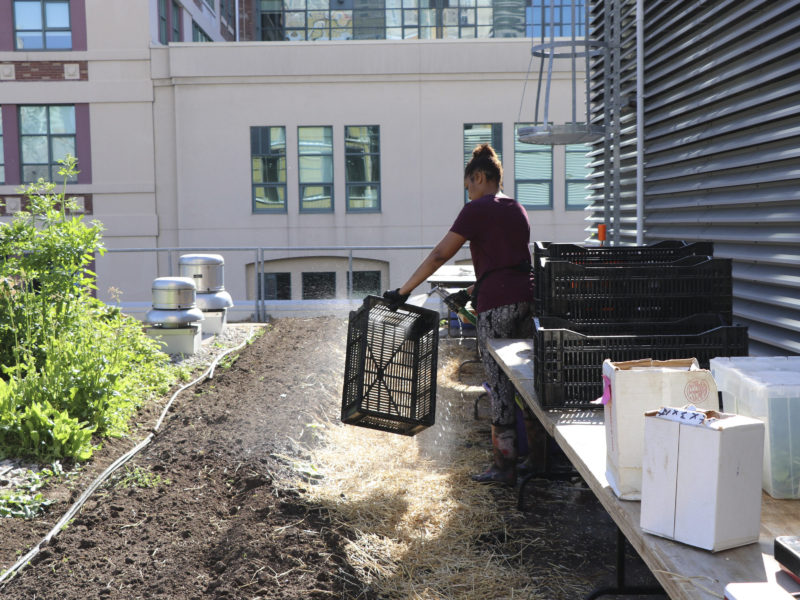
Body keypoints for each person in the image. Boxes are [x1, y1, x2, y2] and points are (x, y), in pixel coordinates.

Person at [383, 143, 536, 486]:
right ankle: (534, 460)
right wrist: (471, 291)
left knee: (498, 383)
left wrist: (404, 291)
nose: (468, 193)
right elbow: (509, 264)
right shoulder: (517, 208)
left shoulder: (477, 209)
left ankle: (504, 466)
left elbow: (441, 254)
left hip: (496, 305)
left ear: (479, 177)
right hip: (526, 299)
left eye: (469, 185)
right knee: (525, 382)